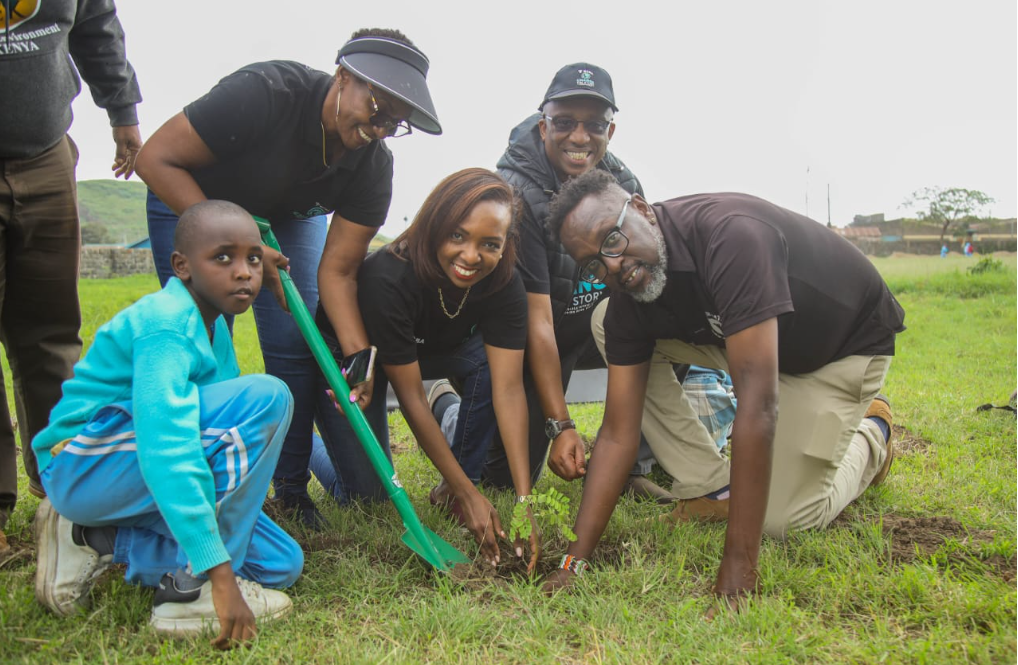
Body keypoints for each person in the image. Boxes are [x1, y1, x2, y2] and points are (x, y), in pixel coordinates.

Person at [540, 170, 906, 612]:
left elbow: (759, 407)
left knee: (786, 521)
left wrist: (737, 570)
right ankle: (711, 485)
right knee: (607, 320)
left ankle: (874, 434)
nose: (613, 266)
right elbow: (617, 434)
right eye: (595, 265)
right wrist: (572, 563)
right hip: (745, 343)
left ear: (639, 209)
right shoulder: (629, 295)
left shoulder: (731, 238)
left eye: (613, 240)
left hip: (835, 350)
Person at [135, 28, 441, 529]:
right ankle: (203, 482)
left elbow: (338, 271)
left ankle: (291, 491)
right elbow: (155, 158)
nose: (381, 128)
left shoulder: (372, 167)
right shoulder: (265, 94)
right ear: (344, 76)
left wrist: (358, 360)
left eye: (395, 123)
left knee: (296, 342)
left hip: (288, 218)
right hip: (194, 201)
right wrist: (245, 247)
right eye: (377, 109)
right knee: (205, 344)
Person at [31, 201, 302, 646]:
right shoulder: (167, 325)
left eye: (253, 259)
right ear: (182, 266)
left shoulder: (213, 329)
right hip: (83, 465)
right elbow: (168, 447)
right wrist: (220, 575)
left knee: (280, 563)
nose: (243, 272)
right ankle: (193, 590)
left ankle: (92, 537)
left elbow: (214, 445)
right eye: (223, 257)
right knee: (267, 396)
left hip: (128, 475)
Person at [434, 63, 676, 502]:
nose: (580, 137)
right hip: (534, 339)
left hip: (597, 320)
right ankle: (448, 408)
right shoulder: (516, 194)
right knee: (502, 478)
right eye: (565, 123)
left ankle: (629, 465)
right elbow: (537, 321)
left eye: (594, 125)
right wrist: (561, 424)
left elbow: (643, 284)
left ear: (611, 130)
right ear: (544, 125)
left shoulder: (623, 183)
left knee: (662, 324)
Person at [308, 168, 538, 568]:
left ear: (505, 245)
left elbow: (509, 389)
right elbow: (410, 396)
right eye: (457, 235)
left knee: (490, 361)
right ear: (434, 226)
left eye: (490, 244)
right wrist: (469, 495)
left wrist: (523, 500)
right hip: (357, 354)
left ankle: (455, 483)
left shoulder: (504, 282)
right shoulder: (390, 276)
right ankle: (313, 444)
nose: (471, 256)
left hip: (428, 347)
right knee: (368, 497)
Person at [0, 0, 142, 551]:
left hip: (44, 155)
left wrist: (123, 111)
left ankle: (64, 491)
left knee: (52, 334)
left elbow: (96, 25)